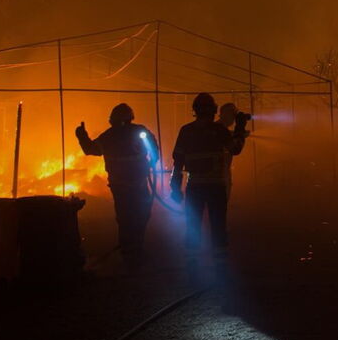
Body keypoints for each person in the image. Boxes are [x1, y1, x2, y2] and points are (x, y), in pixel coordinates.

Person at [75, 103, 157, 272]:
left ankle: (131, 252)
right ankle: (133, 253)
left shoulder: (110, 136)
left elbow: (90, 149)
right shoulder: (136, 132)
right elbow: (154, 149)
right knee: (138, 216)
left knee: (128, 218)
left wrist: (82, 136)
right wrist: (150, 163)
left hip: (123, 186)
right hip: (134, 185)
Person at [170, 93, 248, 259]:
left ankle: (192, 263)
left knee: (193, 226)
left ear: (195, 110)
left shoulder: (186, 131)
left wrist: (175, 188)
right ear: (213, 110)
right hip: (216, 187)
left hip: (194, 187)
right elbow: (236, 149)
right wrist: (240, 128)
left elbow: (178, 162)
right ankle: (220, 264)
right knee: (218, 226)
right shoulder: (219, 130)